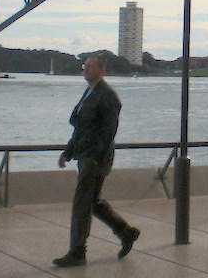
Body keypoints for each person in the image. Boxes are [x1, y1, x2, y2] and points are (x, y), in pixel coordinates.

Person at [53, 55, 140, 267]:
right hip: (85, 155)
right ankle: (126, 232)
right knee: (92, 202)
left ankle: (77, 252)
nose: (85, 69)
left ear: (101, 70)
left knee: (82, 203)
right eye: (84, 66)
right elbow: (82, 128)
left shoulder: (107, 96)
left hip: (95, 158)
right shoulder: (89, 93)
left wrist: (95, 158)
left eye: (90, 66)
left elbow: (108, 131)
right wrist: (68, 152)